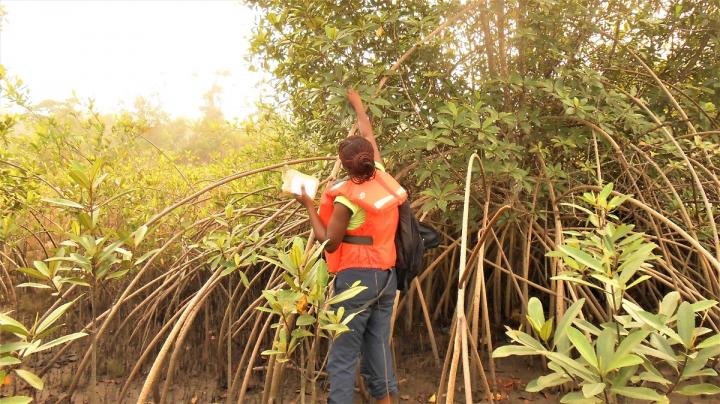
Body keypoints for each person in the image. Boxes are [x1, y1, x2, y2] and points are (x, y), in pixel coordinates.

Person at [293, 88, 407, 403]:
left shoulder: (345, 199)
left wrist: (308, 205)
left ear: (345, 167)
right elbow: (367, 132)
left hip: (357, 278)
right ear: (369, 159)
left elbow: (329, 243)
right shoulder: (382, 176)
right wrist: (358, 105)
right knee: (378, 346)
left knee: (343, 353)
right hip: (386, 277)